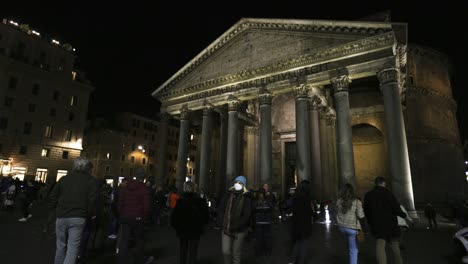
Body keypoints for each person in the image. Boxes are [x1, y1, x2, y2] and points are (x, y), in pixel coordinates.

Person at [49, 157, 97, 264]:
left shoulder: (64, 179)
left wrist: (57, 209)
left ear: (74, 166)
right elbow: (92, 201)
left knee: (60, 246)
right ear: (86, 167)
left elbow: (53, 197)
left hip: (61, 216)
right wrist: (88, 214)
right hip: (78, 217)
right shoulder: (91, 181)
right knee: (72, 248)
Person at [364, 176, 406, 264]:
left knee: (380, 245)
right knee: (395, 246)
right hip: (391, 224)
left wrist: (369, 222)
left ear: (375, 183)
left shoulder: (369, 195)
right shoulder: (389, 193)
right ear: (384, 183)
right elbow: (396, 208)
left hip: (377, 224)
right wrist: (404, 215)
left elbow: (366, 211)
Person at [171, 181, 209, 264]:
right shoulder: (200, 201)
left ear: (184, 189)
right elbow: (206, 216)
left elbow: (174, 217)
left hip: (183, 230)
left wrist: (177, 227)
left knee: (183, 251)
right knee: (193, 251)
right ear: (194, 189)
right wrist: (201, 225)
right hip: (195, 230)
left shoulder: (180, 201)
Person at [116, 172, 150, 264]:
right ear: (143, 178)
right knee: (139, 239)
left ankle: (121, 260)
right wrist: (144, 216)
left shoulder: (125, 187)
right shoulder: (144, 188)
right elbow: (146, 206)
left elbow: (120, 203)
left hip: (125, 216)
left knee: (124, 240)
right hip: (138, 217)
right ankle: (138, 260)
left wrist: (122, 213)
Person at [217, 175, 252, 264]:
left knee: (236, 253)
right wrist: (221, 222)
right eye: (236, 182)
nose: (237, 184)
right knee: (225, 251)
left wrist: (237, 226)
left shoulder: (247, 198)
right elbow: (221, 209)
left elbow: (246, 215)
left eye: (240, 183)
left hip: (240, 230)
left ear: (243, 185)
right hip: (226, 228)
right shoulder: (227, 195)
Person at [335, 183, 365, 264]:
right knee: (353, 250)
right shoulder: (356, 202)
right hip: (352, 228)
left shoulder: (339, 201)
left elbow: (336, 213)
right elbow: (361, 215)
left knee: (349, 246)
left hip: (342, 227)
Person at [289, 180, 313, 264]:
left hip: (296, 223)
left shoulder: (295, 197)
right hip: (305, 224)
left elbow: (292, 209)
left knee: (297, 242)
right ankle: (300, 261)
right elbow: (310, 211)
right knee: (303, 244)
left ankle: (292, 261)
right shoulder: (307, 197)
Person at [254, 188, 274, 256]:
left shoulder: (256, 202)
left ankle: (259, 252)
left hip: (258, 222)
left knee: (259, 238)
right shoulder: (268, 201)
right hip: (267, 222)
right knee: (267, 238)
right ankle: (267, 252)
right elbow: (271, 209)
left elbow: (253, 211)